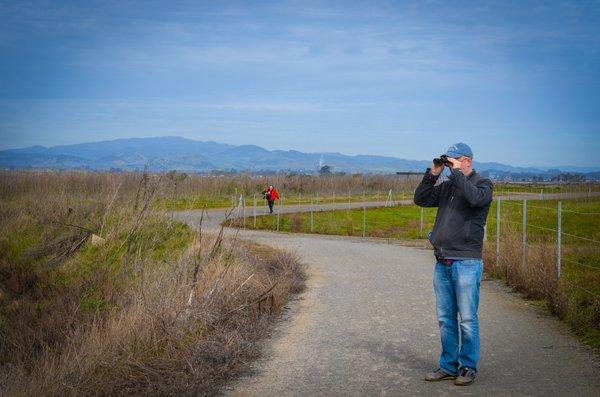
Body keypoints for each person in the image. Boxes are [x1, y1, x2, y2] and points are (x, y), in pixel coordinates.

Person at [413, 143, 493, 386]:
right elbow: (421, 199)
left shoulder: (483, 184)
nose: (450, 166)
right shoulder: (448, 185)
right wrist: (434, 173)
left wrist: (456, 173)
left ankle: (467, 367)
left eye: (454, 161)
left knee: (467, 318)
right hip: (443, 260)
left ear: (467, 160)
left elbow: (474, 199)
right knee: (446, 318)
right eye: (449, 162)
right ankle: (448, 365)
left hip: (467, 261)